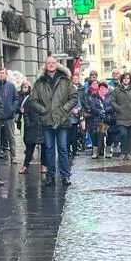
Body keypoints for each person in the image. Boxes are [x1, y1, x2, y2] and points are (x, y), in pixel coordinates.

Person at [32, 56, 76, 187]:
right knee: (49, 149)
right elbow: (33, 100)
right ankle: (50, 175)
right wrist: (43, 110)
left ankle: (65, 176)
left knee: (63, 148)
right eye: (48, 63)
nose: (51, 65)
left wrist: (64, 109)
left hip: (62, 120)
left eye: (53, 63)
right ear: (45, 65)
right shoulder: (39, 82)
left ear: (56, 65)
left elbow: (74, 97)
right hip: (47, 120)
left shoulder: (65, 80)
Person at [0, 67, 19, 159]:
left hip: (9, 115)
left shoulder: (11, 86)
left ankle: (13, 156)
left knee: (11, 137)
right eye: (0, 73)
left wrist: (13, 108)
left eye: (3, 73)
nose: (1, 75)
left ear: (6, 74)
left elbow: (16, 98)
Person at [19, 80, 43, 172]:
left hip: (42, 126)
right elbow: (25, 113)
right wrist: (28, 123)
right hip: (32, 126)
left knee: (44, 148)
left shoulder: (44, 99)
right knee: (29, 148)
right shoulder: (29, 99)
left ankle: (44, 165)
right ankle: (25, 166)